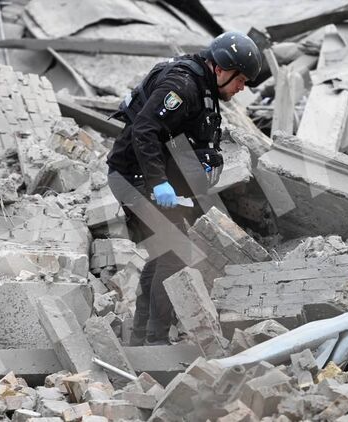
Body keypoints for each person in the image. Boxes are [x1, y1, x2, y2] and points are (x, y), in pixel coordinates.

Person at [106, 31, 262, 345]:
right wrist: (160, 183)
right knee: (176, 252)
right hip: (133, 178)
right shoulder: (182, 86)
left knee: (163, 252)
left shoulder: (204, 87)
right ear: (221, 69)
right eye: (241, 80)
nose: (242, 88)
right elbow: (145, 130)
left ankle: (142, 339)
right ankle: (156, 341)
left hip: (149, 180)